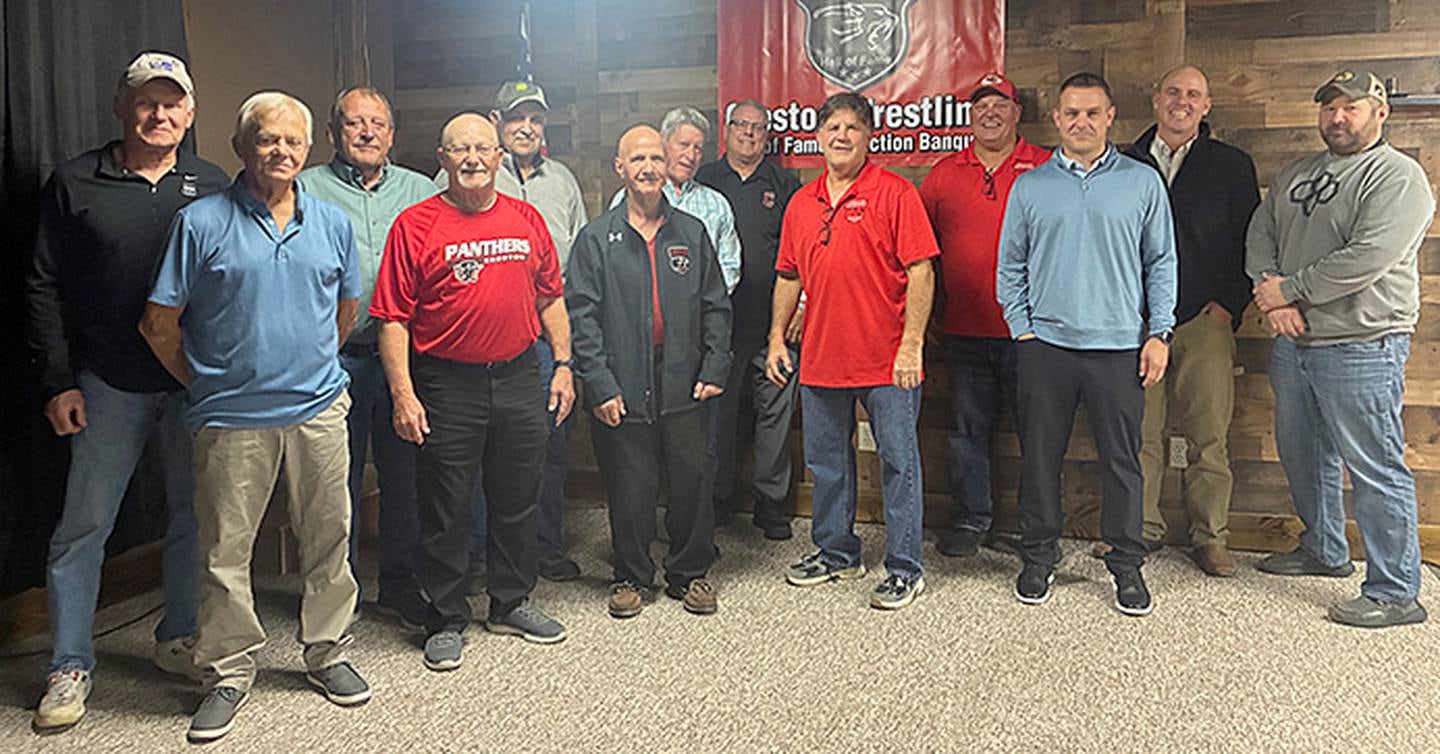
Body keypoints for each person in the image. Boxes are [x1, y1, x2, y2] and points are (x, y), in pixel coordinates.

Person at [142, 91, 371, 742]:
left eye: (293, 142)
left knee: (329, 538)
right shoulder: (201, 223)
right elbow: (159, 324)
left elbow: (345, 310)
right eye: (267, 140)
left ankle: (328, 652)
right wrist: (208, 384)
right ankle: (229, 672)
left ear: (308, 150)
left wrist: (309, 367)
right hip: (230, 418)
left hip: (318, 410)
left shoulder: (329, 222)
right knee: (224, 552)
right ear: (241, 148)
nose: (281, 152)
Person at [25, 51, 228, 734]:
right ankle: (70, 663)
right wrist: (57, 380)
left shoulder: (213, 183)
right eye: (147, 100)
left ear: (191, 114)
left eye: (173, 102)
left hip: (191, 386)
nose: (160, 113)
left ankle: (176, 637)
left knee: (190, 520)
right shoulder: (75, 181)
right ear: (121, 106)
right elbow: (42, 285)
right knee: (83, 529)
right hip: (104, 384)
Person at [370, 113, 573, 672]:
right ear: (442, 157)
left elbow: (550, 298)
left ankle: (510, 601)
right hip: (445, 382)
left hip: (517, 375)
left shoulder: (527, 219)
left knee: (516, 496)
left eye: (483, 148)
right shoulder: (415, 225)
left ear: (499, 156)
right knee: (446, 505)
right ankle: (445, 616)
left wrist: (562, 364)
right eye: (460, 149)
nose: (473, 158)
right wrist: (403, 394)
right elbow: (392, 319)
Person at [1247, 69, 1435, 628]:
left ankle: (1396, 590)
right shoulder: (1297, 173)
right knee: (1304, 454)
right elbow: (1261, 233)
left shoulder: (1398, 177)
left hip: (1362, 343)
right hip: (1294, 340)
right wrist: (1273, 298)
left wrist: (1294, 289)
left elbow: (1368, 256)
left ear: (1380, 112)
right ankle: (1324, 550)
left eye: (1351, 107)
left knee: (1374, 464)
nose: (1338, 117)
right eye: (1329, 107)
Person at [996, 72, 1177, 617]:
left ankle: (1126, 564)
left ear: (1110, 116)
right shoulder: (1030, 186)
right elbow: (1010, 268)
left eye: (1092, 113)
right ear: (1057, 119)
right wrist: (1022, 330)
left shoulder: (1142, 183)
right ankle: (1038, 555)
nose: (1081, 122)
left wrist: (1159, 332)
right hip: (1046, 345)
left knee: (1123, 460)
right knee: (1040, 458)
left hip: (1120, 345)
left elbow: (1161, 262)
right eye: (1071, 113)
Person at [768, 92, 938, 611]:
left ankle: (905, 567)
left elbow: (921, 272)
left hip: (887, 359)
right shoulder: (802, 202)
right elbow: (788, 276)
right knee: (827, 462)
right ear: (818, 137)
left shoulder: (895, 193)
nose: (841, 136)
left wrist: (911, 345)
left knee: (897, 462)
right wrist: (776, 336)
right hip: (822, 356)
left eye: (852, 128)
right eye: (832, 127)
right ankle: (837, 551)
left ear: (869, 137)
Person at [567, 124, 732, 619]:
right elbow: (582, 317)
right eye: (637, 160)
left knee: (692, 478)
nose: (648, 168)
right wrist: (599, 383)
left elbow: (717, 308)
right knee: (630, 482)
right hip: (622, 378)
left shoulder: (691, 233)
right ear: (620, 167)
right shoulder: (597, 239)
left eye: (656, 159)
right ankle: (632, 574)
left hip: (685, 376)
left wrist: (715, 365)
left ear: (667, 166)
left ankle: (689, 572)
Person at [436, 80, 589, 586]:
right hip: (478, 345)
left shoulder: (563, 181)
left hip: (545, 337)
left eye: (536, 119)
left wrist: (567, 352)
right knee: (480, 452)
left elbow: (576, 264)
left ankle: (543, 548)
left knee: (545, 445)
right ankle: (479, 555)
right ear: (498, 122)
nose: (528, 127)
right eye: (517, 117)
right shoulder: (460, 175)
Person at [1114, 65, 1259, 576]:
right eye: (1173, 92)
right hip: (1136, 323)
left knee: (1208, 436)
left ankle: (1210, 537)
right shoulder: (1123, 163)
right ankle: (1140, 531)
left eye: (1193, 94)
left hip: (1204, 320)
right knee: (1140, 434)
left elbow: (1252, 243)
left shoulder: (1231, 165)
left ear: (1207, 105)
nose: (1182, 101)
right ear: (1155, 101)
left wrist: (1229, 305)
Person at [299, 86, 436, 616]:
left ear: (392, 134)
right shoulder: (306, 189)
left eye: (377, 123)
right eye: (354, 123)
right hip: (337, 358)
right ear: (335, 133)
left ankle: (399, 582)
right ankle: (340, 589)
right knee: (338, 480)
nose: (367, 132)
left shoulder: (420, 191)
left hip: (404, 360)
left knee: (404, 477)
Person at [918, 72, 1050, 558]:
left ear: (1018, 113)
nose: (990, 113)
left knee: (1038, 433)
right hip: (963, 331)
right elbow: (917, 250)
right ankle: (973, 520)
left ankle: (1039, 529)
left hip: (1031, 335)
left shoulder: (1045, 168)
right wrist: (925, 316)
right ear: (970, 115)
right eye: (981, 106)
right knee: (966, 432)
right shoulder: (944, 173)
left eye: (1001, 105)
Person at [695, 99, 802, 539]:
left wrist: (801, 306)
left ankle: (771, 503)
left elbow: (802, 251)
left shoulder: (784, 182)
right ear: (727, 129)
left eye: (759, 128)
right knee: (718, 418)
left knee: (775, 416)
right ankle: (717, 498)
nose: (750, 134)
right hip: (719, 330)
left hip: (774, 326)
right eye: (741, 125)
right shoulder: (704, 181)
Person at [610, 107, 742, 296]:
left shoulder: (717, 204)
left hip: (697, 318)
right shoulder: (628, 197)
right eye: (683, 144)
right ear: (663, 144)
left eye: (698, 148)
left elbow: (729, 266)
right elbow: (617, 262)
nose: (690, 156)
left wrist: (699, 306)